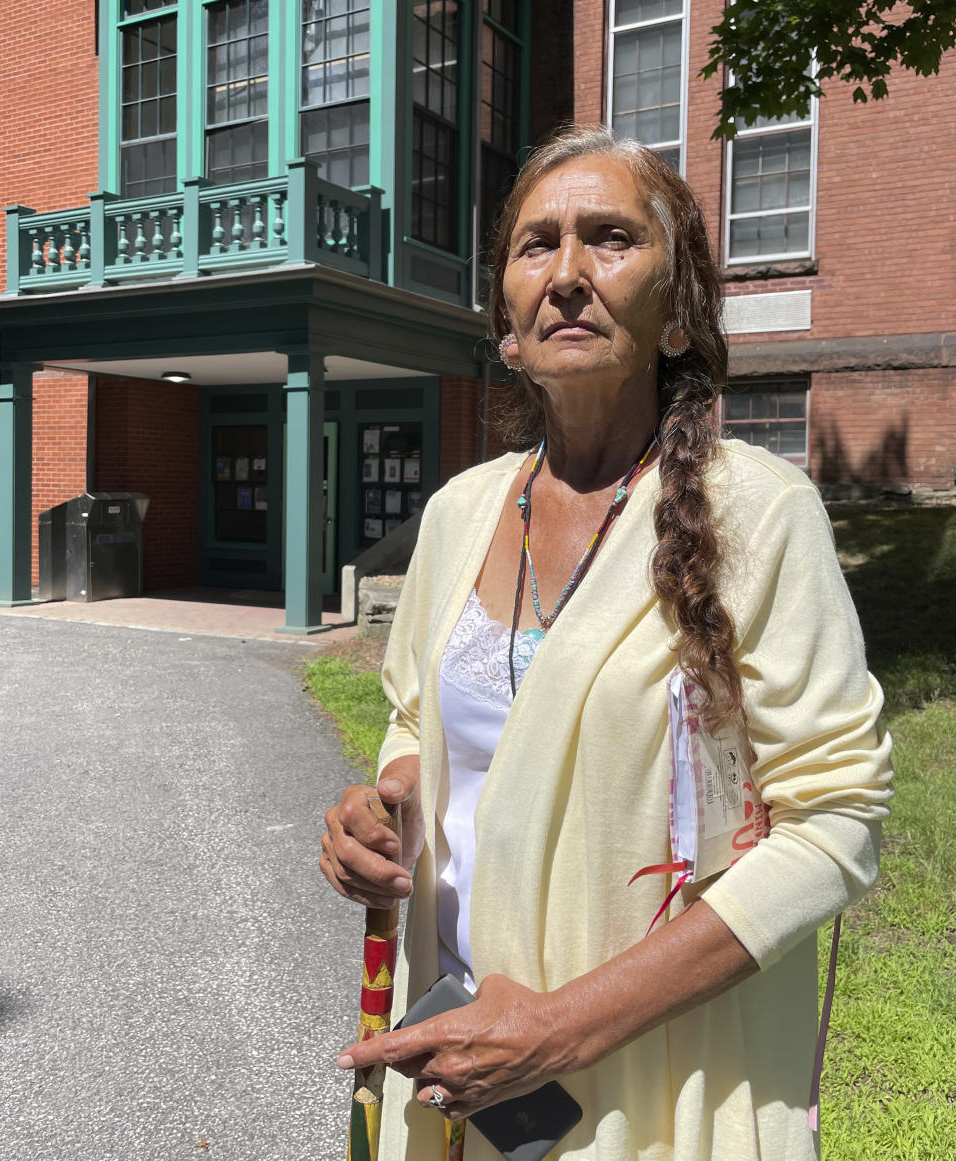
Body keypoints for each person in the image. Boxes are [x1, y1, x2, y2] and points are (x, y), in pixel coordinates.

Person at [320, 125, 893, 1161]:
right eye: (537, 244)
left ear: (677, 311)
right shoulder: (459, 512)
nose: (570, 274)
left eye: (612, 238)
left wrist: (563, 1026)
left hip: (651, 1081)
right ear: (505, 318)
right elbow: (417, 717)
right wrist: (388, 806)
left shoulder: (756, 516)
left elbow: (836, 821)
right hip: (462, 1073)